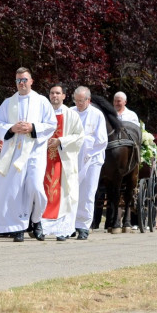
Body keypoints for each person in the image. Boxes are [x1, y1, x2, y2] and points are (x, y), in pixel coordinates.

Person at [0, 68, 57, 242]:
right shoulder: (8, 103)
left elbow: (51, 124)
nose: (21, 83)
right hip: (14, 153)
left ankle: (36, 220)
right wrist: (11, 128)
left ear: (31, 81)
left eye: (24, 80)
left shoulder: (41, 101)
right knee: (16, 190)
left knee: (36, 188)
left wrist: (32, 127)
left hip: (34, 153)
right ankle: (18, 227)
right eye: (18, 80)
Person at [40, 83, 84, 241]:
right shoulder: (42, 114)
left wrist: (61, 141)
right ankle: (43, 228)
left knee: (66, 194)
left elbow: (79, 136)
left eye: (58, 93)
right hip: (43, 160)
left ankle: (63, 231)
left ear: (64, 96)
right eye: (52, 93)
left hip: (63, 161)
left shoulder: (71, 115)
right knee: (42, 192)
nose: (54, 96)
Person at [70, 86, 108, 240]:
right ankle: (70, 224)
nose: (79, 104)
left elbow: (102, 140)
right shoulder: (70, 112)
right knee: (71, 192)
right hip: (72, 158)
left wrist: (83, 141)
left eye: (81, 101)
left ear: (88, 100)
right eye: (76, 101)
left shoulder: (97, 115)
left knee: (87, 193)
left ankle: (83, 225)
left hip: (92, 158)